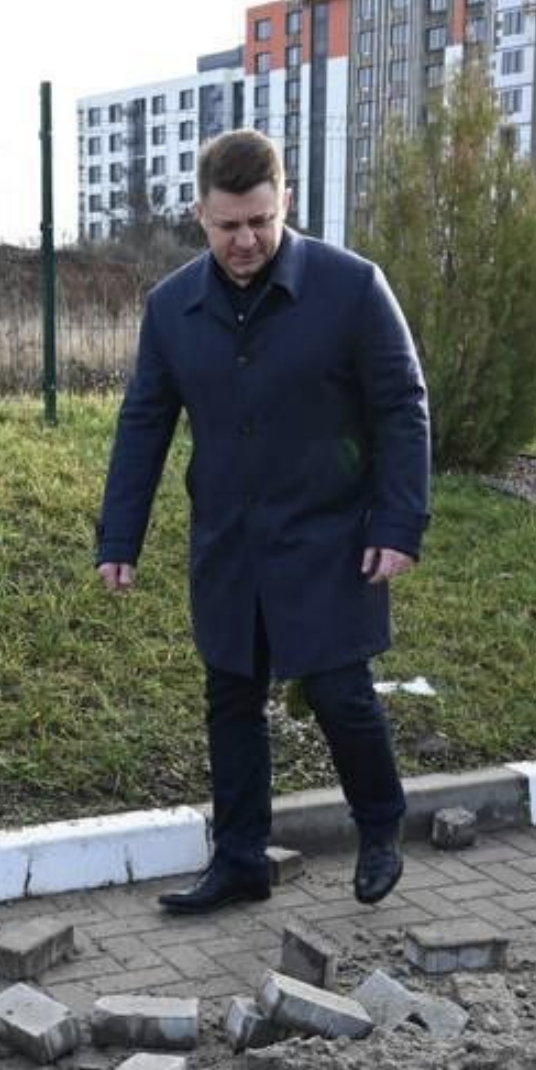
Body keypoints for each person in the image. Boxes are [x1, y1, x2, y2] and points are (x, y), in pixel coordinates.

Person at [95, 129, 431, 914]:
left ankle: (381, 823)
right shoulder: (173, 307)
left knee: (340, 690)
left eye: (259, 222)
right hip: (229, 538)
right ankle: (240, 859)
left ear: (286, 203)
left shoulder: (352, 288)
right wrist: (120, 537)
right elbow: (144, 422)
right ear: (199, 217)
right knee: (232, 696)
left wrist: (399, 521)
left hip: (330, 531)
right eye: (226, 226)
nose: (244, 241)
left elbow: (401, 405)